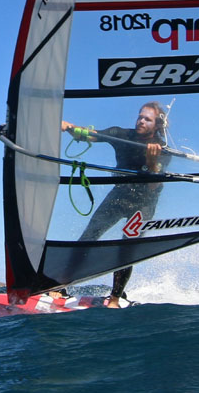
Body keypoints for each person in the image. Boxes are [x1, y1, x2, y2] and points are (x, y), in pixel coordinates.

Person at [61, 101, 170, 308]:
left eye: (147, 119)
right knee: (88, 236)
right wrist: (69, 128)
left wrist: (153, 162)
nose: (141, 121)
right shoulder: (121, 134)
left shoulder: (161, 149)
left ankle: (115, 298)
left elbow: (155, 186)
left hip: (143, 204)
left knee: (126, 248)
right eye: (140, 116)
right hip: (119, 196)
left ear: (156, 125)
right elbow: (93, 135)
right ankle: (61, 285)